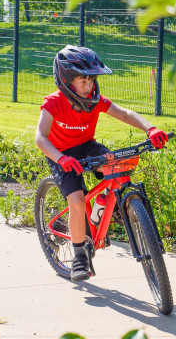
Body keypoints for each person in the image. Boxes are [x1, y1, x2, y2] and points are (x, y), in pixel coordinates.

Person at [35, 45, 168, 282]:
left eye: (92, 80)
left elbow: (124, 114)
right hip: (60, 154)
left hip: (86, 146)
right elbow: (40, 138)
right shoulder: (54, 103)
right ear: (66, 80)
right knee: (76, 200)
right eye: (83, 80)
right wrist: (61, 158)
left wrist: (151, 128)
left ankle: (116, 204)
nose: (89, 85)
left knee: (118, 165)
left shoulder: (95, 100)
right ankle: (79, 257)